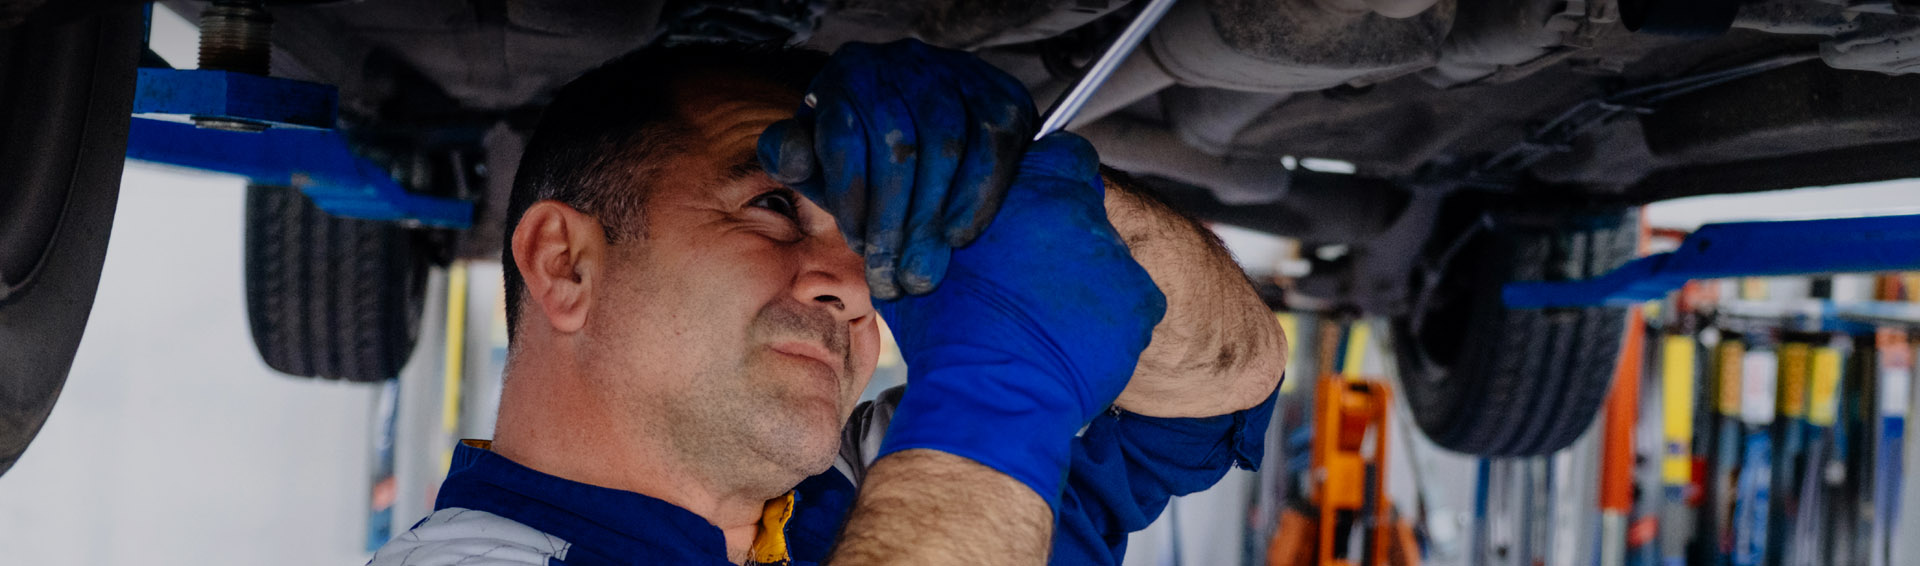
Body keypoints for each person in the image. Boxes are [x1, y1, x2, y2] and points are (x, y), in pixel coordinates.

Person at [367, 39, 1286, 566]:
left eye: (873, 242)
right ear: (565, 265)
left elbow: (1227, 380)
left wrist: (1036, 200)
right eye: (774, 208)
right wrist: (996, 400)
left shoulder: (859, 493)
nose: (852, 284)